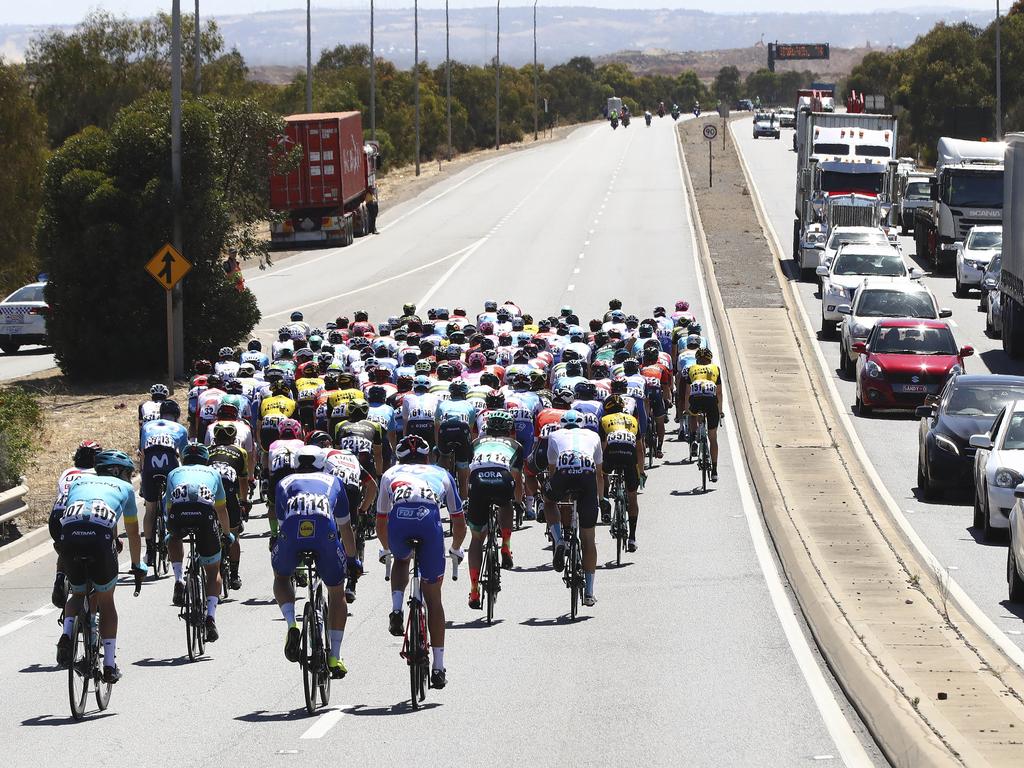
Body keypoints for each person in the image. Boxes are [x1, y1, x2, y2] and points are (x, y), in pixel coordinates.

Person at [376, 435, 466, 689]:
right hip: (429, 526)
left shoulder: (390, 473)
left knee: (402, 560)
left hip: (399, 524)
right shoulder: (441, 473)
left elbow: (381, 520)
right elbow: (458, 519)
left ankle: (396, 609)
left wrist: (386, 548)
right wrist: (456, 548)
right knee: (434, 600)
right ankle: (438, 667)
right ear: (428, 458)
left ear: (399, 458)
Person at [54, 450, 145, 684]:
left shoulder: (80, 481)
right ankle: (109, 665)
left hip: (70, 533)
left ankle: (66, 635)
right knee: (106, 601)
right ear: (122, 472)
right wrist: (137, 564)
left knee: (78, 593)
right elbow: (133, 533)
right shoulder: (124, 488)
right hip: (99, 536)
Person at [273, 445, 360, 679]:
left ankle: (292, 623)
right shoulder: (334, 481)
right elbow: (345, 527)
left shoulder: (284, 482)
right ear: (323, 464)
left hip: (292, 533)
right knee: (336, 592)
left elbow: (282, 525)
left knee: (281, 577)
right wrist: (352, 560)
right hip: (325, 534)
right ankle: (335, 656)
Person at [164, 442, 233, 642]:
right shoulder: (213, 473)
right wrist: (227, 534)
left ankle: (178, 579)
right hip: (204, 516)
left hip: (179, 514)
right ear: (206, 460)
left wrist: (171, 534)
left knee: (173, 538)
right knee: (213, 572)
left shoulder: (173, 473)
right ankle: (210, 616)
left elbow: (169, 509)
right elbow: (221, 509)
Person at [542, 410, 603, 607]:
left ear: (561, 425)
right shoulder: (593, 435)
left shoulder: (554, 435)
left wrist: (560, 491)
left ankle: (559, 539)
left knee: (549, 500)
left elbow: (553, 472)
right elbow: (599, 475)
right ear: (582, 425)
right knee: (588, 539)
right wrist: (601, 499)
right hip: (587, 479)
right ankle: (589, 592)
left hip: (564, 475)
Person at [466, 411, 524, 608]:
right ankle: (506, 544)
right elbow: (516, 479)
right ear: (509, 430)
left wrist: (469, 496)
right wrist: (518, 501)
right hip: (502, 478)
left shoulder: (475, 443)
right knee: (506, 503)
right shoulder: (516, 445)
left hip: (478, 481)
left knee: (476, 539)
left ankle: (474, 590)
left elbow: (467, 472)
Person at [49, 440, 102, 607]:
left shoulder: (67, 472)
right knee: (97, 548)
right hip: (82, 514)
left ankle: (60, 576)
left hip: (57, 516)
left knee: (64, 548)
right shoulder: (98, 474)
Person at [139, 415, 189, 572]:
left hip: (149, 465)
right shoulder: (180, 429)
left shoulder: (147, 427)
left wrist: (143, 478)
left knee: (150, 509)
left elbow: (142, 454)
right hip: (170, 463)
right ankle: (169, 531)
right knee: (171, 505)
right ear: (176, 416)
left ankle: (149, 550)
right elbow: (184, 456)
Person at [209, 422, 250, 591]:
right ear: (233, 438)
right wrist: (244, 501)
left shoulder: (207, 450)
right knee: (233, 535)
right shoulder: (240, 452)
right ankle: (234, 574)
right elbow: (243, 481)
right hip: (229, 494)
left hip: (208, 494)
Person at [599, 395, 642, 552]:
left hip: (612, 453)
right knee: (632, 496)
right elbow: (640, 449)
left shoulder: (604, 420)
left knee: (602, 473)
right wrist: (641, 471)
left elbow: (603, 448)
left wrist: (603, 469)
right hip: (630, 456)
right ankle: (632, 537)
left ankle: (604, 503)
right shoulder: (633, 420)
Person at [683, 347, 724, 483]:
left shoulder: (691, 369)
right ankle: (715, 471)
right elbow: (719, 393)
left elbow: (687, 393)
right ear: (709, 359)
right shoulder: (715, 368)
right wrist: (720, 411)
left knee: (692, 413)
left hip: (696, 399)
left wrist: (686, 409)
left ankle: (694, 438)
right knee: (713, 438)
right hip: (711, 401)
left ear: (697, 359)